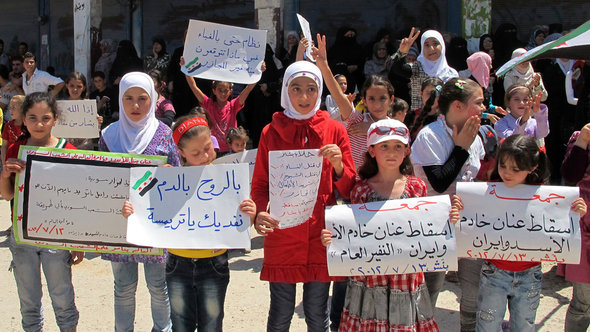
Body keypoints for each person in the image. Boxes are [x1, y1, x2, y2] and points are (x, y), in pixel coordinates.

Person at [251, 38, 356, 331]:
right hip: (283, 232)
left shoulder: (334, 129)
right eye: (296, 88)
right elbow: (260, 184)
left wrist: (338, 165)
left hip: (321, 233)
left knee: (316, 315)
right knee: (281, 314)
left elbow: (349, 188)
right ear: (285, 90)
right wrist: (259, 214)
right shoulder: (271, 131)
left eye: (311, 88)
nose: (304, 96)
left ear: (319, 90)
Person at [120, 114, 256, 331]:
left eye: (207, 148)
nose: (204, 155)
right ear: (181, 153)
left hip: (214, 263)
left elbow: (242, 218)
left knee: (211, 322)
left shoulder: (227, 176)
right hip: (178, 264)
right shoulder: (166, 177)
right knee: (181, 322)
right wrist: (132, 211)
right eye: (195, 153)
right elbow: (139, 197)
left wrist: (251, 211)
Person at [451, 134, 586, 331]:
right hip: (494, 272)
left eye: (515, 169)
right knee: (487, 325)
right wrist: (458, 212)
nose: (507, 173)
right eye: (503, 166)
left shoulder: (547, 198)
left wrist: (577, 211)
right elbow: (468, 222)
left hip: (529, 274)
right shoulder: (484, 193)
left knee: (523, 325)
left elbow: (563, 225)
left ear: (532, 167)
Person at [321, 119, 439, 332]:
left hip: (405, 277)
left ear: (407, 151)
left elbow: (428, 230)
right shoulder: (361, 191)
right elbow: (352, 235)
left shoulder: (417, 188)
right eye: (384, 146)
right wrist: (334, 240)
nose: (391, 152)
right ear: (372, 151)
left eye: (398, 146)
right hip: (369, 279)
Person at [100, 72, 179, 332]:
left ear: (153, 99)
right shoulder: (109, 135)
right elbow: (100, 182)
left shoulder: (164, 133)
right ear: (120, 100)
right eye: (129, 98)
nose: (135, 106)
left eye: (142, 99)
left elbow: (180, 179)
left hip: (155, 226)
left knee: (158, 287)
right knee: (123, 288)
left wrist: (169, 174)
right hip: (119, 225)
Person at [0, 92, 82, 332]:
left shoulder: (67, 149)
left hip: (55, 237)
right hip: (22, 235)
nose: (39, 124)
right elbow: (7, 195)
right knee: (28, 301)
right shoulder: (16, 148)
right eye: (32, 117)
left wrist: (76, 241)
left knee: (63, 297)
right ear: (23, 119)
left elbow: (77, 199)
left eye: (45, 118)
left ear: (55, 119)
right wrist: (5, 175)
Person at [410, 78, 485, 331]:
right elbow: (440, 182)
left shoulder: (477, 135)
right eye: (479, 102)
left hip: (469, 224)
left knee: (472, 292)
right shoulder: (429, 136)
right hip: (435, 226)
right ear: (458, 106)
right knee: (430, 290)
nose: (484, 107)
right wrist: (461, 148)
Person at [182, 57, 264, 154]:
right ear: (214, 91)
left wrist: (259, 71)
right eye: (220, 90)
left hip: (232, 151)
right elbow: (193, 86)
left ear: (230, 91)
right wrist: (185, 68)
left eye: (226, 91)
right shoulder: (208, 104)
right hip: (213, 150)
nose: (223, 94)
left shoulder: (233, 106)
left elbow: (248, 89)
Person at [561, 123, 590, 330]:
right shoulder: (581, 136)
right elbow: (570, 175)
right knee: (583, 302)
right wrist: (582, 143)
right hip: (585, 221)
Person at [333, 74, 395, 168]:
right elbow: (338, 95)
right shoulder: (357, 120)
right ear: (364, 100)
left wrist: (373, 129)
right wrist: (323, 64)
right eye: (371, 99)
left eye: (382, 98)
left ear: (391, 100)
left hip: (382, 181)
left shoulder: (396, 128)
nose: (377, 105)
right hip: (355, 181)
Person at [390, 28, 458, 110]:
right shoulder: (417, 68)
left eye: (435, 44)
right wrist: (402, 52)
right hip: (420, 117)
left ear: (442, 46)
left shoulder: (451, 73)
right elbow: (397, 69)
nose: (431, 49)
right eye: (427, 45)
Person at [406, 77, 443, 142]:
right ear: (421, 93)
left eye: (435, 94)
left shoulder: (445, 118)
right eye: (428, 93)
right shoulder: (412, 115)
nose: (431, 97)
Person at [1, 95, 24, 161]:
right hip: (10, 160)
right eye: (10, 108)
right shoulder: (8, 125)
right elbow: (4, 147)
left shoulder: (29, 126)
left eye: (14, 108)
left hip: (24, 159)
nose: (11, 110)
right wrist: (4, 163)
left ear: (22, 109)